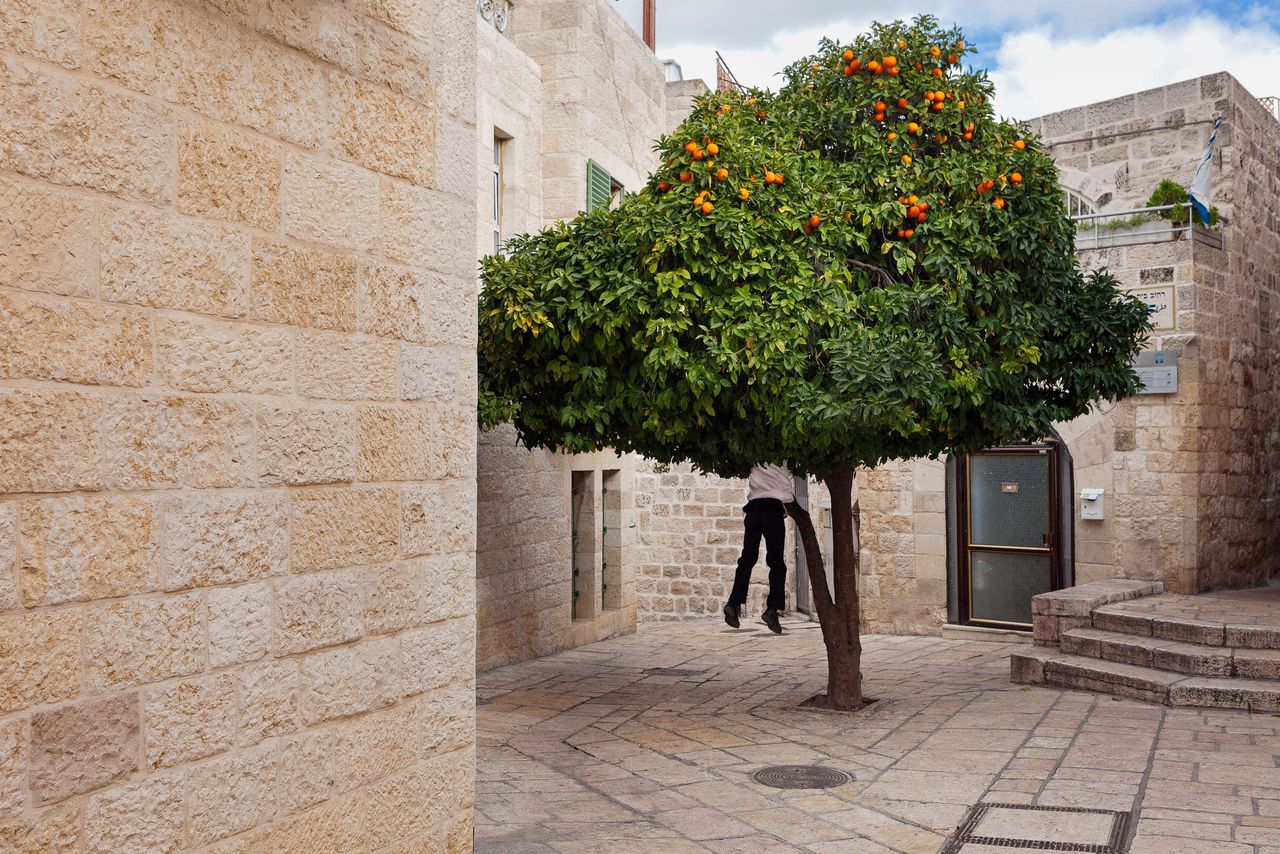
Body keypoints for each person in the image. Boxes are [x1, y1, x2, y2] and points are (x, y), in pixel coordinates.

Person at [723, 462, 793, 634]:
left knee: (747, 559)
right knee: (776, 563)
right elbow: (788, 495)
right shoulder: (782, 459)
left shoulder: (754, 457)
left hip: (753, 510)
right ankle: (772, 609)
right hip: (773, 510)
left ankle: (733, 603)